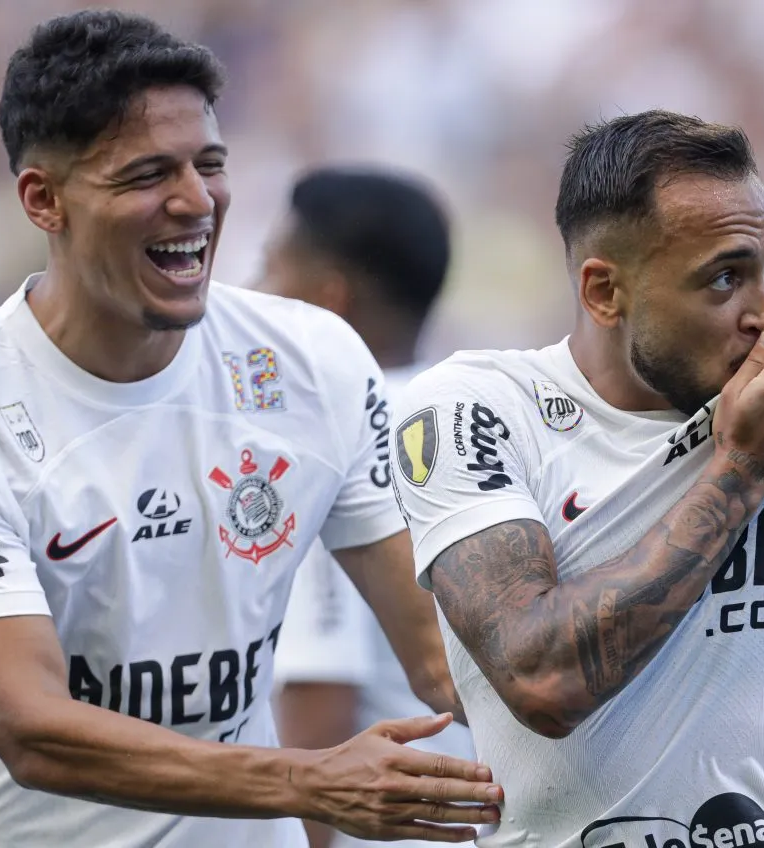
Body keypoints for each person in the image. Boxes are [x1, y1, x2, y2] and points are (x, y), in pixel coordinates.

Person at [0, 11, 502, 848]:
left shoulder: (314, 364)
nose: (197, 202)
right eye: (146, 175)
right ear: (43, 200)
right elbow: (28, 727)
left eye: (210, 165)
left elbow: (435, 651)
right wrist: (307, 778)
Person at [389, 109, 764, 847]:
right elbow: (543, 681)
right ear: (604, 292)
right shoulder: (475, 411)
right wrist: (743, 472)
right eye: (723, 280)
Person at [258, 166, 477, 848]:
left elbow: (318, 702)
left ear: (325, 301)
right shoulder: (471, 416)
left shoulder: (325, 443)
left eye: (270, 274)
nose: (252, 300)